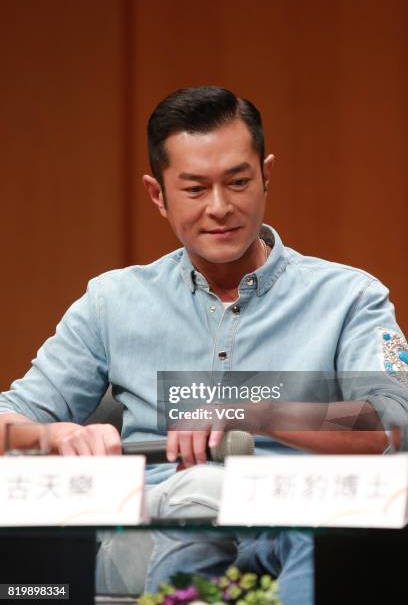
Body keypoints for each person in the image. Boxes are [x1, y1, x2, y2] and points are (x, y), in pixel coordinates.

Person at [1, 86, 407, 605]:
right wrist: (53, 436)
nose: (220, 208)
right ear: (158, 195)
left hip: (299, 521)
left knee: (334, 530)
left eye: (238, 182)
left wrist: (249, 410)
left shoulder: (348, 296)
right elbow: (8, 418)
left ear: (266, 176)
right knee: (196, 499)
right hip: (163, 527)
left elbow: (395, 422)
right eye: (194, 189)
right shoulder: (113, 301)